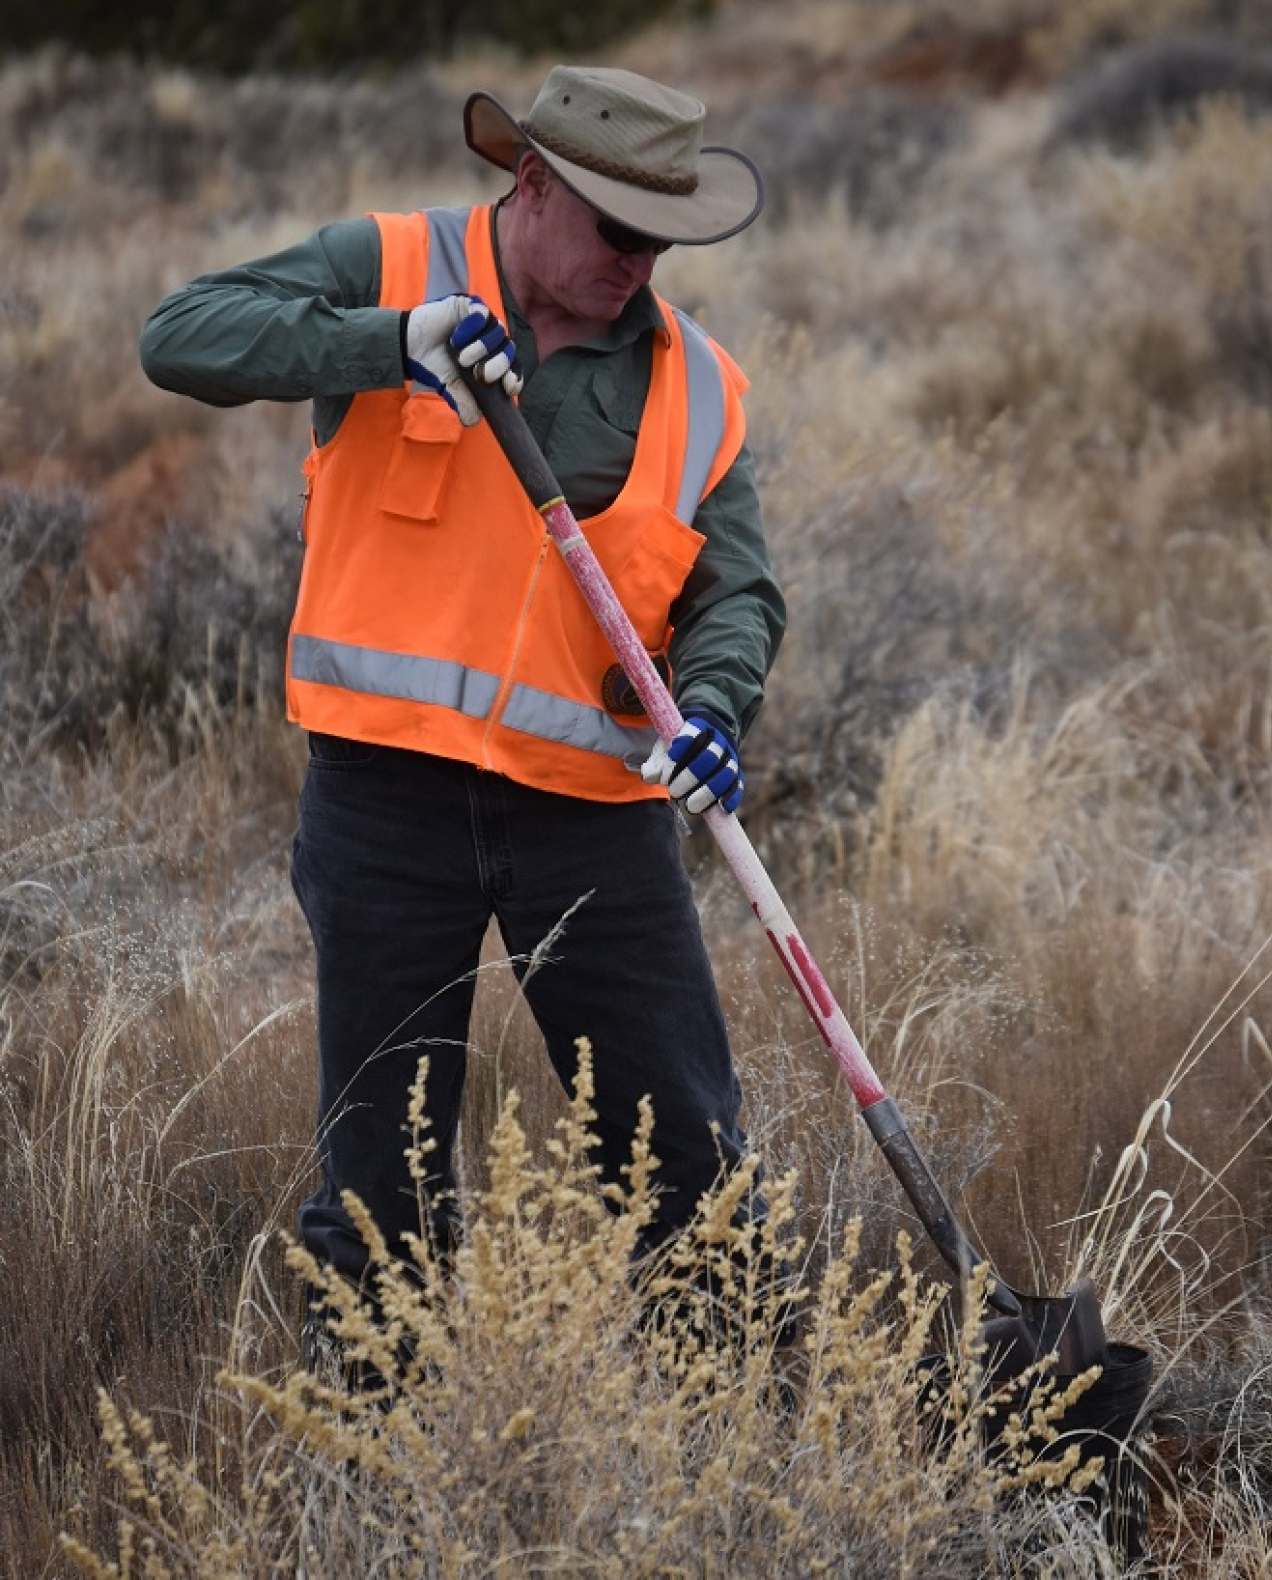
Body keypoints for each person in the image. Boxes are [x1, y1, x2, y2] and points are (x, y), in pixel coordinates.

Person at [140, 64, 787, 1367]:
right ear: (533, 184)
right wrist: (389, 344)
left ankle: (734, 1463)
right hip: (385, 802)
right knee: (382, 1184)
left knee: (682, 1163)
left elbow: (737, 590)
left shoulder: (698, 382)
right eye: (616, 230)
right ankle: (373, 1488)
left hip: (594, 821)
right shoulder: (385, 264)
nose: (636, 262)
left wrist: (712, 707)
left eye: (658, 238)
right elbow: (182, 336)